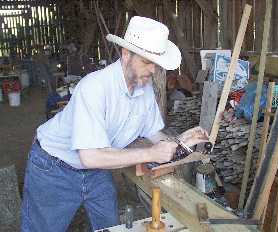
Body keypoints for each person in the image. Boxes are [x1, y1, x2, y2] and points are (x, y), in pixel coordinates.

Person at [21, 16, 209, 232]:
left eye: (156, 65)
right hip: (54, 166)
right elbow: (90, 156)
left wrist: (181, 142)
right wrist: (151, 154)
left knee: (110, 227)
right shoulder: (94, 87)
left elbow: (154, 135)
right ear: (126, 54)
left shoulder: (144, 89)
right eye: (146, 62)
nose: (152, 71)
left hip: (96, 170)